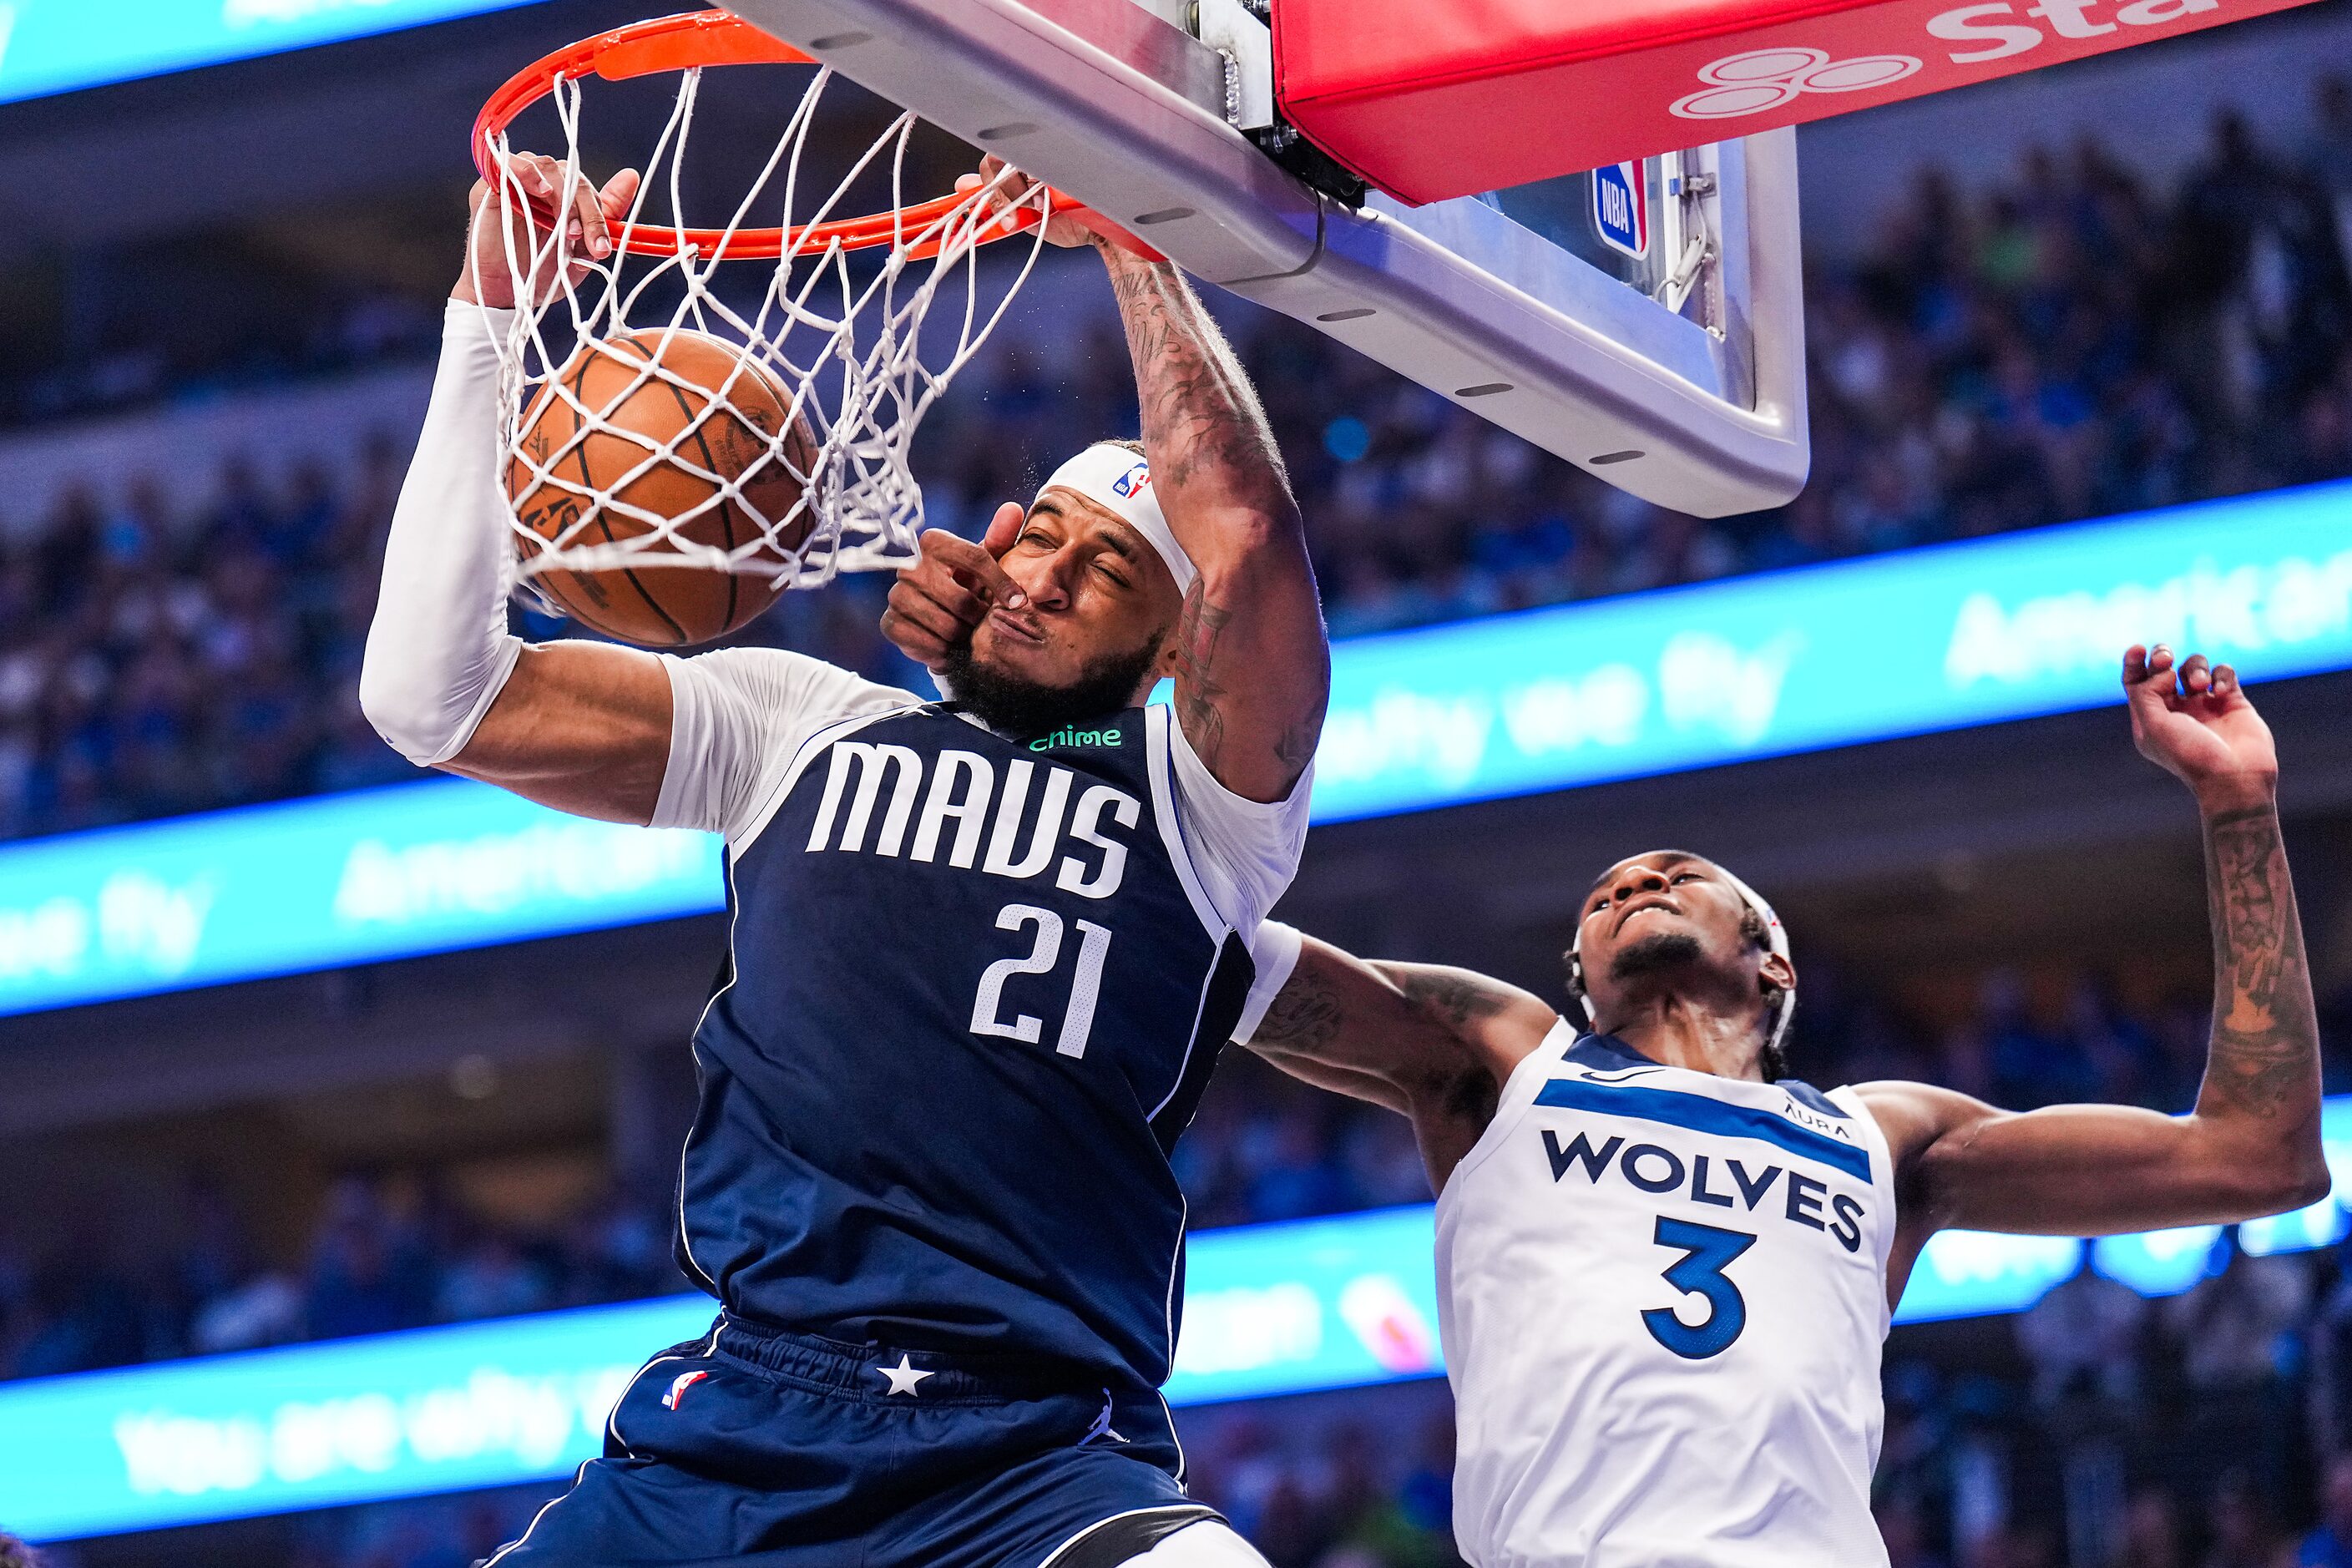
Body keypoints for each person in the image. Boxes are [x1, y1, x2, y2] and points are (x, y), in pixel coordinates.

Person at [360, 152, 1328, 1568]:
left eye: (1108, 572)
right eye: (1039, 535)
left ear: (1177, 649)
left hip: (1028, 1447)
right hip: (743, 1415)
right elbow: (429, 698)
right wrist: (489, 315)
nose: (1045, 574)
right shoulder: (799, 721)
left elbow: (1241, 538)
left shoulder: (1206, 806)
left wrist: (1123, 219)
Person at [1231, 646, 2325, 1568]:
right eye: (1602, 895)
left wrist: (2238, 807)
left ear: (1775, 964)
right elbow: (1218, 961)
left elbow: (2254, 1156)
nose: (1629, 884)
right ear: (1581, 972)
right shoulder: (1510, 1059)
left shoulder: (1885, 1134)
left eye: (1673, 869)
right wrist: (1085, 750)